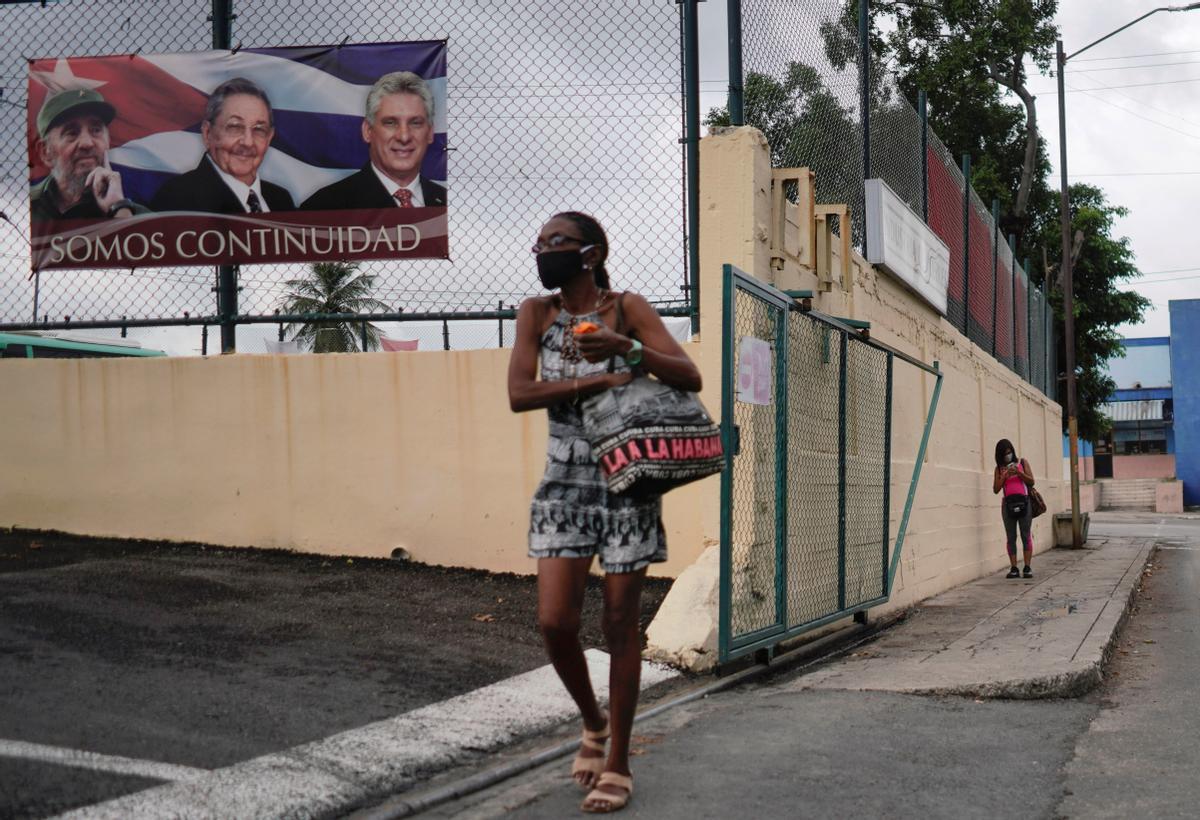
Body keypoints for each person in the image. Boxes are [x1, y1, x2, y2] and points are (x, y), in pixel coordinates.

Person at [508, 212, 701, 814]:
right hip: (564, 483)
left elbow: (689, 375)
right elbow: (519, 393)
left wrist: (627, 347)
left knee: (621, 625)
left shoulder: (627, 308)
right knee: (555, 622)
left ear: (590, 255)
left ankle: (618, 759)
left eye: (556, 244)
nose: (543, 252)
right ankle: (592, 721)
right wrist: (597, 382)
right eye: (539, 244)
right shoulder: (535, 314)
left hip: (625, 479)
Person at [301, 71, 446, 211]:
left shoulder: (446, 201)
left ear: (430, 133)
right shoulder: (325, 207)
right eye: (390, 122)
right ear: (367, 131)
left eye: (415, 123)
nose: (404, 137)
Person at [150, 77, 294, 214]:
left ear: (269, 138)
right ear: (208, 133)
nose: (248, 142)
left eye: (258, 129)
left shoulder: (281, 200)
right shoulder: (177, 199)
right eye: (235, 127)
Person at [30, 88, 147, 225]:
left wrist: (118, 209)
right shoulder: (24, 208)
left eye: (96, 130)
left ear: (108, 142)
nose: (87, 143)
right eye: (72, 133)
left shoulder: (140, 217)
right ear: (45, 151)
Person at [993, 438, 1035, 578]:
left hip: (1024, 502)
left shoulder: (1022, 463)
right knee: (1011, 537)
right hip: (1008, 505)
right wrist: (1004, 476)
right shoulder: (999, 469)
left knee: (1025, 534)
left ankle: (1027, 567)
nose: (1008, 455)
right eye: (1005, 454)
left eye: (1010, 452)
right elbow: (996, 489)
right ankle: (1014, 567)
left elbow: (1031, 481)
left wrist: (1019, 473)